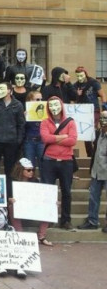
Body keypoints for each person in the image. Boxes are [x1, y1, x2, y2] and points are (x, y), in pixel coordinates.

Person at [40, 96, 78, 229]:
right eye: (51, 105)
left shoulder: (70, 122)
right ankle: (48, 218)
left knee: (66, 191)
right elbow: (45, 138)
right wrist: (63, 136)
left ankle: (66, 220)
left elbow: (72, 140)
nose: (54, 108)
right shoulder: (44, 122)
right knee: (48, 191)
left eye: (56, 105)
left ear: (61, 105)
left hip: (66, 161)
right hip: (49, 160)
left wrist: (54, 139)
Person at [78, 111, 107, 231]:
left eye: (105, 118)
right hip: (96, 171)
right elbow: (91, 152)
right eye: (101, 117)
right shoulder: (98, 133)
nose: (103, 120)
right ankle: (92, 221)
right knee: (93, 197)